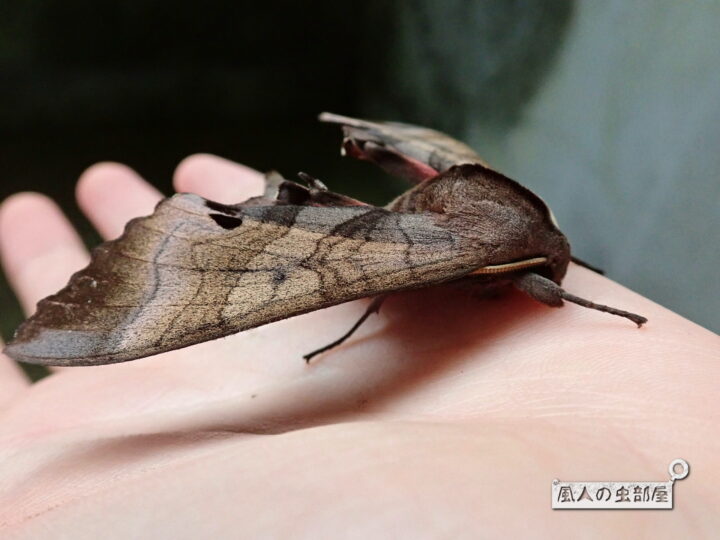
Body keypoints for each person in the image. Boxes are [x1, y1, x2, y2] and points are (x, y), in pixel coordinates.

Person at [0, 155, 717, 536]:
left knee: (354, 273)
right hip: (454, 215)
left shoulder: (512, 255)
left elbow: (519, 234)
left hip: (456, 200)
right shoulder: (480, 252)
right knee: (349, 276)